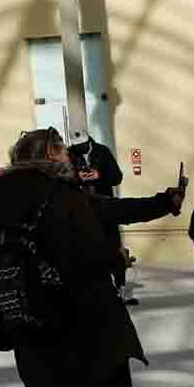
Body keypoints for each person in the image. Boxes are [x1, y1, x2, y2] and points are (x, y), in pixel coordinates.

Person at [0, 126, 183, 387]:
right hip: (86, 332)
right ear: (50, 155)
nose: (69, 153)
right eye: (62, 148)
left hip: (30, 330)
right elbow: (100, 241)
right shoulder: (66, 197)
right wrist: (118, 259)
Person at [62, 128, 137, 305]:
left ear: (88, 142)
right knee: (86, 248)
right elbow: (63, 178)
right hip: (82, 207)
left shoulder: (102, 152)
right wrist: (77, 177)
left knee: (113, 245)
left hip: (105, 206)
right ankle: (93, 291)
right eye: (76, 147)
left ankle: (121, 289)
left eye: (82, 147)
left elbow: (117, 177)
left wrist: (99, 175)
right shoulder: (69, 155)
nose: (79, 150)